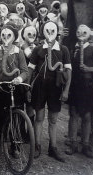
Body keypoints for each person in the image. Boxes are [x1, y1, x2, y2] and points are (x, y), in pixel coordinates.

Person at [28, 21, 71, 162]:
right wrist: (28, 87)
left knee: (53, 119)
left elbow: (68, 71)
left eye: (53, 31)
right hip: (40, 87)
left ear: (57, 32)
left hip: (56, 87)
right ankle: (37, 146)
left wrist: (66, 91)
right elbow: (30, 69)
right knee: (39, 118)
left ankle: (53, 148)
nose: (50, 34)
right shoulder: (38, 49)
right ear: (43, 32)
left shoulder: (63, 49)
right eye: (47, 30)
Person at [0, 25, 29, 153]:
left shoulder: (19, 52)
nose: (6, 38)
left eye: (9, 35)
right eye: (4, 35)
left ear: (14, 37)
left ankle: (15, 145)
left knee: (16, 117)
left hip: (15, 87)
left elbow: (24, 71)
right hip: (0, 87)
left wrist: (19, 79)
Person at [66, 24, 93, 158]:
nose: (81, 34)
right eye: (79, 32)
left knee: (87, 116)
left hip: (88, 86)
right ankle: (73, 144)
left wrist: (89, 69)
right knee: (73, 114)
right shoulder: (73, 49)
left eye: (84, 32)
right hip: (75, 86)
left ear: (88, 35)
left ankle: (85, 145)